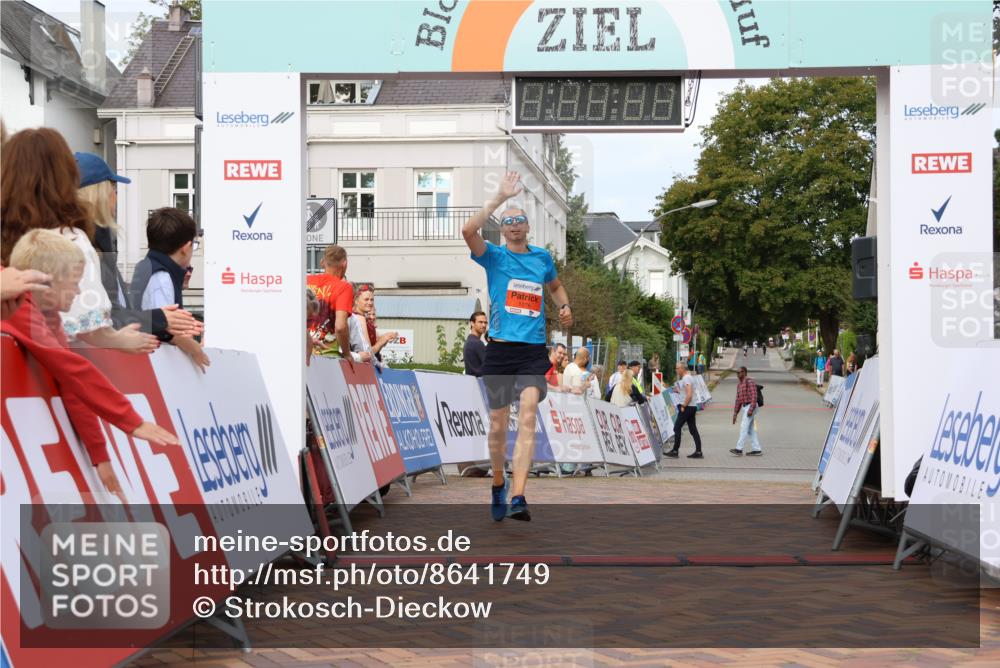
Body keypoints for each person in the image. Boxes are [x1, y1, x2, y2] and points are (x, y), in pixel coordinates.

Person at [5, 229, 180, 501]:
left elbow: (72, 384)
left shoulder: (48, 317)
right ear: (47, 282)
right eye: (75, 282)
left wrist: (99, 456)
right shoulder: (22, 310)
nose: (78, 291)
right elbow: (72, 369)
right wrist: (130, 421)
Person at [462, 171, 572, 522]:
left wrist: (565, 306)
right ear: (502, 229)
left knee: (527, 416)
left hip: (531, 351)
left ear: (527, 229)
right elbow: (467, 231)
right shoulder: (493, 256)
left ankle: (519, 494)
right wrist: (498, 196)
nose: (513, 226)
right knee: (497, 425)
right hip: (500, 350)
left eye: (519, 222)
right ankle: (498, 481)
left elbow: (555, 288)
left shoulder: (541, 259)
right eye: (507, 222)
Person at [0, 128, 157, 354]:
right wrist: (121, 340)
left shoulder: (8, 235)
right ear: (66, 175)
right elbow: (87, 323)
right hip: (52, 363)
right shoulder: (71, 239)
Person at [76, 152, 200, 342]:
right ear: (100, 194)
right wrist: (160, 320)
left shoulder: (95, 245)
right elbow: (94, 320)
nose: (116, 199)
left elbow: (111, 312)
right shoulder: (83, 248)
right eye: (114, 191)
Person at [130, 208, 210, 373]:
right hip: (159, 368)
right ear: (186, 247)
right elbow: (164, 329)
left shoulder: (149, 268)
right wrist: (192, 346)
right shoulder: (161, 277)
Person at [307, 245, 353, 359]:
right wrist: (347, 353)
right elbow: (340, 327)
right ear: (344, 264)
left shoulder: (306, 281)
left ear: (322, 262)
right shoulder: (343, 287)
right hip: (327, 354)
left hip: (303, 351)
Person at [348, 286, 396, 365]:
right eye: (366, 299)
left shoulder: (363, 318)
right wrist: (381, 342)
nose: (370, 303)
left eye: (372, 300)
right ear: (356, 301)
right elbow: (367, 351)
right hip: (359, 364)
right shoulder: (359, 318)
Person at [665, 362, 702, 458]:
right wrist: (677, 390)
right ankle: (698, 451)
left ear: (682, 368)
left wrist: (683, 406)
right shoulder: (687, 378)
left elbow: (689, 394)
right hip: (691, 406)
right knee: (693, 429)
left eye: (677, 368)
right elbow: (685, 392)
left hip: (688, 407)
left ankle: (675, 451)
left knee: (677, 427)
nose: (676, 370)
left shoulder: (686, 378)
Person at [729, 366, 762, 456]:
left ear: (744, 373)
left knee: (744, 427)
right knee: (750, 430)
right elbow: (738, 400)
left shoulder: (749, 381)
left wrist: (751, 409)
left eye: (740, 372)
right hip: (745, 407)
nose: (738, 374)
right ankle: (757, 449)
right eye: (737, 372)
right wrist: (735, 414)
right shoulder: (739, 385)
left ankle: (739, 449)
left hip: (751, 406)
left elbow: (754, 396)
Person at [463, 311, 488, 376]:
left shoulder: (469, 340)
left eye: (485, 322)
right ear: (472, 323)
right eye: (480, 322)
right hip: (478, 382)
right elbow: (489, 366)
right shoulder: (477, 343)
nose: (484, 325)